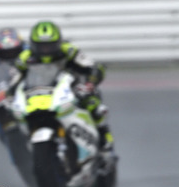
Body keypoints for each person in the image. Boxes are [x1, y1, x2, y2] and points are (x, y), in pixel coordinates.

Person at [13, 20, 115, 157]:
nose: (46, 50)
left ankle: (104, 137)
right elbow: (14, 80)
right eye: (41, 47)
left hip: (72, 87)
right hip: (40, 94)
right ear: (33, 45)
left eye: (49, 46)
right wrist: (9, 95)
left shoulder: (70, 51)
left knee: (92, 103)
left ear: (58, 43)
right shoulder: (24, 58)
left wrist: (89, 83)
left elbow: (95, 67)